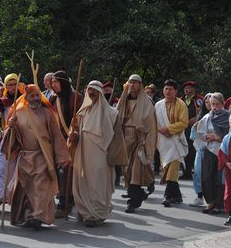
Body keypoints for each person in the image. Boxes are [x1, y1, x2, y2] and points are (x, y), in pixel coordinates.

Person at [5, 85, 71, 229]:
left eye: (37, 95)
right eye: (32, 96)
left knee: (40, 187)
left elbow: (56, 136)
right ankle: (28, 216)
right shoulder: (18, 112)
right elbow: (10, 136)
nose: (35, 98)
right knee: (26, 189)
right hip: (24, 157)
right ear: (26, 98)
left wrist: (61, 157)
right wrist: (10, 127)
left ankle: (37, 217)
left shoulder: (48, 114)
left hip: (42, 156)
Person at [69, 81, 128, 227]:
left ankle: (97, 214)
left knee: (98, 184)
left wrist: (114, 157)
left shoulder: (112, 113)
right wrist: (73, 135)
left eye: (95, 90)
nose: (91, 93)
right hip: (83, 155)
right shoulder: (82, 112)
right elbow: (74, 130)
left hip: (102, 156)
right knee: (83, 182)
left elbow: (117, 138)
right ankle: (86, 212)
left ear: (101, 93)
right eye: (89, 90)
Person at [117, 74, 157, 213]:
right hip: (125, 140)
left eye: (135, 82)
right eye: (130, 82)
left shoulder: (147, 103)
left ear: (140, 85)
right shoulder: (123, 100)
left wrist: (148, 144)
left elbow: (151, 126)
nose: (132, 85)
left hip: (140, 140)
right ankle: (140, 192)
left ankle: (133, 201)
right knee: (127, 170)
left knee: (135, 171)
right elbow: (117, 118)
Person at [0, 73, 24, 214]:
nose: (13, 87)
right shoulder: (2, 101)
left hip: (22, 140)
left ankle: (14, 199)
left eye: (15, 84)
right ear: (6, 86)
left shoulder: (24, 99)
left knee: (17, 172)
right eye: (10, 84)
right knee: (1, 169)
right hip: (6, 138)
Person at [49, 70, 83, 218]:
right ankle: (64, 199)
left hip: (72, 141)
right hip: (57, 140)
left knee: (67, 172)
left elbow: (81, 117)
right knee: (59, 172)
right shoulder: (52, 99)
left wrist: (75, 132)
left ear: (63, 83)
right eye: (52, 82)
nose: (53, 85)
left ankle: (65, 203)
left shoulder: (75, 98)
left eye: (56, 82)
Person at [155, 79, 188, 207]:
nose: (168, 91)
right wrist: (161, 130)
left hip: (176, 141)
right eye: (166, 89)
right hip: (163, 141)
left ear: (175, 91)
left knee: (173, 168)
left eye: (171, 89)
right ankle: (177, 196)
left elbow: (184, 123)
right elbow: (154, 121)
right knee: (167, 168)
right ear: (163, 90)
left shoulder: (181, 104)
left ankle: (167, 196)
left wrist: (169, 129)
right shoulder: (158, 105)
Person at [195, 93, 230, 214]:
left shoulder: (228, 117)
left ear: (223, 103)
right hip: (209, 150)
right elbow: (199, 132)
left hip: (223, 150)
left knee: (219, 178)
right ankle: (210, 201)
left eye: (217, 104)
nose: (214, 107)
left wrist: (220, 138)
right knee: (206, 177)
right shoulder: (207, 117)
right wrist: (207, 136)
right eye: (212, 104)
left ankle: (219, 204)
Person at [190, 93, 212, 207]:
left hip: (214, 148)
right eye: (207, 102)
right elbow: (194, 134)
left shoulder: (220, 116)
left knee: (211, 174)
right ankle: (199, 195)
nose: (209, 105)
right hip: (201, 148)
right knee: (198, 171)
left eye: (211, 102)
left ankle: (213, 198)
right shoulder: (201, 117)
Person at [181, 81, 204, 180]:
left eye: (189, 88)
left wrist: (197, 118)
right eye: (185, 88)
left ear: (194, 89)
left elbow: (204, 111)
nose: (187, 90)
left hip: (195, 128)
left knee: (194, 150)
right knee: (184, 149)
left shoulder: (200, 100)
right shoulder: (181, 99)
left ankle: (196, 171)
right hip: (183, 128)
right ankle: (186, 172)